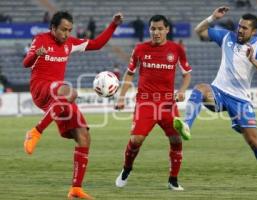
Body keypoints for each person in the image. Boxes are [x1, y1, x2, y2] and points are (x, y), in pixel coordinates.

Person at [174, 6, 257, 190]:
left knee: (254, 142)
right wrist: (212, 18)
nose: (240, 30)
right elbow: (198, 31)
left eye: (244, 28)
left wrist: (252, 60)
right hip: (219, 92)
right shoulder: (227, 36)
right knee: (200, 88)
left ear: (254, 31)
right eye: (239, 26)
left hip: (240, 101)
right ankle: (187, 125)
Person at [23, 11, 123, 199]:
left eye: (69, 30)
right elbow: (26, 63)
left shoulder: (70, 44)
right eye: (63, 30)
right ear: (53, 28)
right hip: (41, 88)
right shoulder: (41, 39)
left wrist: (113, 25)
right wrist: (36, 54)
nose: (66, 34)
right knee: (71, 92)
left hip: (58, 96)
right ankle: (35, 132)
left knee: (84, 136)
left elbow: (97, 44)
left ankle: (76, 189)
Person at [114, 15, 192, 191]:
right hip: (145, 103)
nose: (156, 32)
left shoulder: (177, 49)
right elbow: (130, 73)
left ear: (167, 30)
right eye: (152, 29)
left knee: (176, 139)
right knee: (136, 140)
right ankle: (126, 169)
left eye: (159, 29)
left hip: (167, 103)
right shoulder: (140, 49)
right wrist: (121, 97)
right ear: (149, 30)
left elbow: (187, 73)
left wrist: (181, 91)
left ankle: (173, 180)